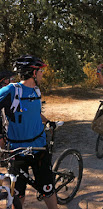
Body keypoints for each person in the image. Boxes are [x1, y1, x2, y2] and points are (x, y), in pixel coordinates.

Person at [0, 55, 58, 209]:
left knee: (48, 190)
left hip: (39, 148)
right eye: (40, 71)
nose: (42, 74)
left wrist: (48, 122)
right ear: (33, 72)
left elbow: (35, 113)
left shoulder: (36, 90)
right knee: (18, 194)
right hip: (18, 151)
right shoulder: (12, 90)